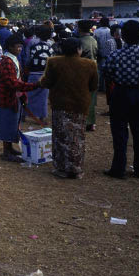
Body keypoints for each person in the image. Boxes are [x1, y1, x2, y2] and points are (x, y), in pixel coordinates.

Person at [102, 20, 139, 179]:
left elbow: (107, 73)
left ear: (123, 36)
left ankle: (118, 168)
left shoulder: (117, 54)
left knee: (119, 132)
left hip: (121, 93)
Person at [39, 38, 99, 179]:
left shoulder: (53, 62)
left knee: (60, 136)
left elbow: (46, 82)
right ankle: (76, 168)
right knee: (77, 137)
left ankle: (61, 168)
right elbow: (94, 86)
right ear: (79, 49)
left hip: (60, 104)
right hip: (80, 105)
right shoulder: (90, 64)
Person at [0, 35, 40, 161]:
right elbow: (12, 83)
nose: (20, 49)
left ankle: (9, 148)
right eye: (18, 47)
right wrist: (33, 86)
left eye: (21, 47)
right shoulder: (6, 61)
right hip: (8, 97)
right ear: (10, 47)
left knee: (13, 122)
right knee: (7, 123)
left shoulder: (12, 59)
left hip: (14, 96)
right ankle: (6, 151)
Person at [25, 26, 54, 125]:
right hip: (45, 73)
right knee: (43, 96)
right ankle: (42, 117)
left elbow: (28, 58)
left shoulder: (32, 43)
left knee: (29, 94)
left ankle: (24, 114)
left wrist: (27, 67)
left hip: (33, 72)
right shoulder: (51, 44)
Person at [77, 20, 99, 132]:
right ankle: (92, 123)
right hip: (94, 70)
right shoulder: (94, 40)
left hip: (83, 71)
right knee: (91, 98)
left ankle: (85, 122)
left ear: (80, 29)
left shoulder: (79, 41)